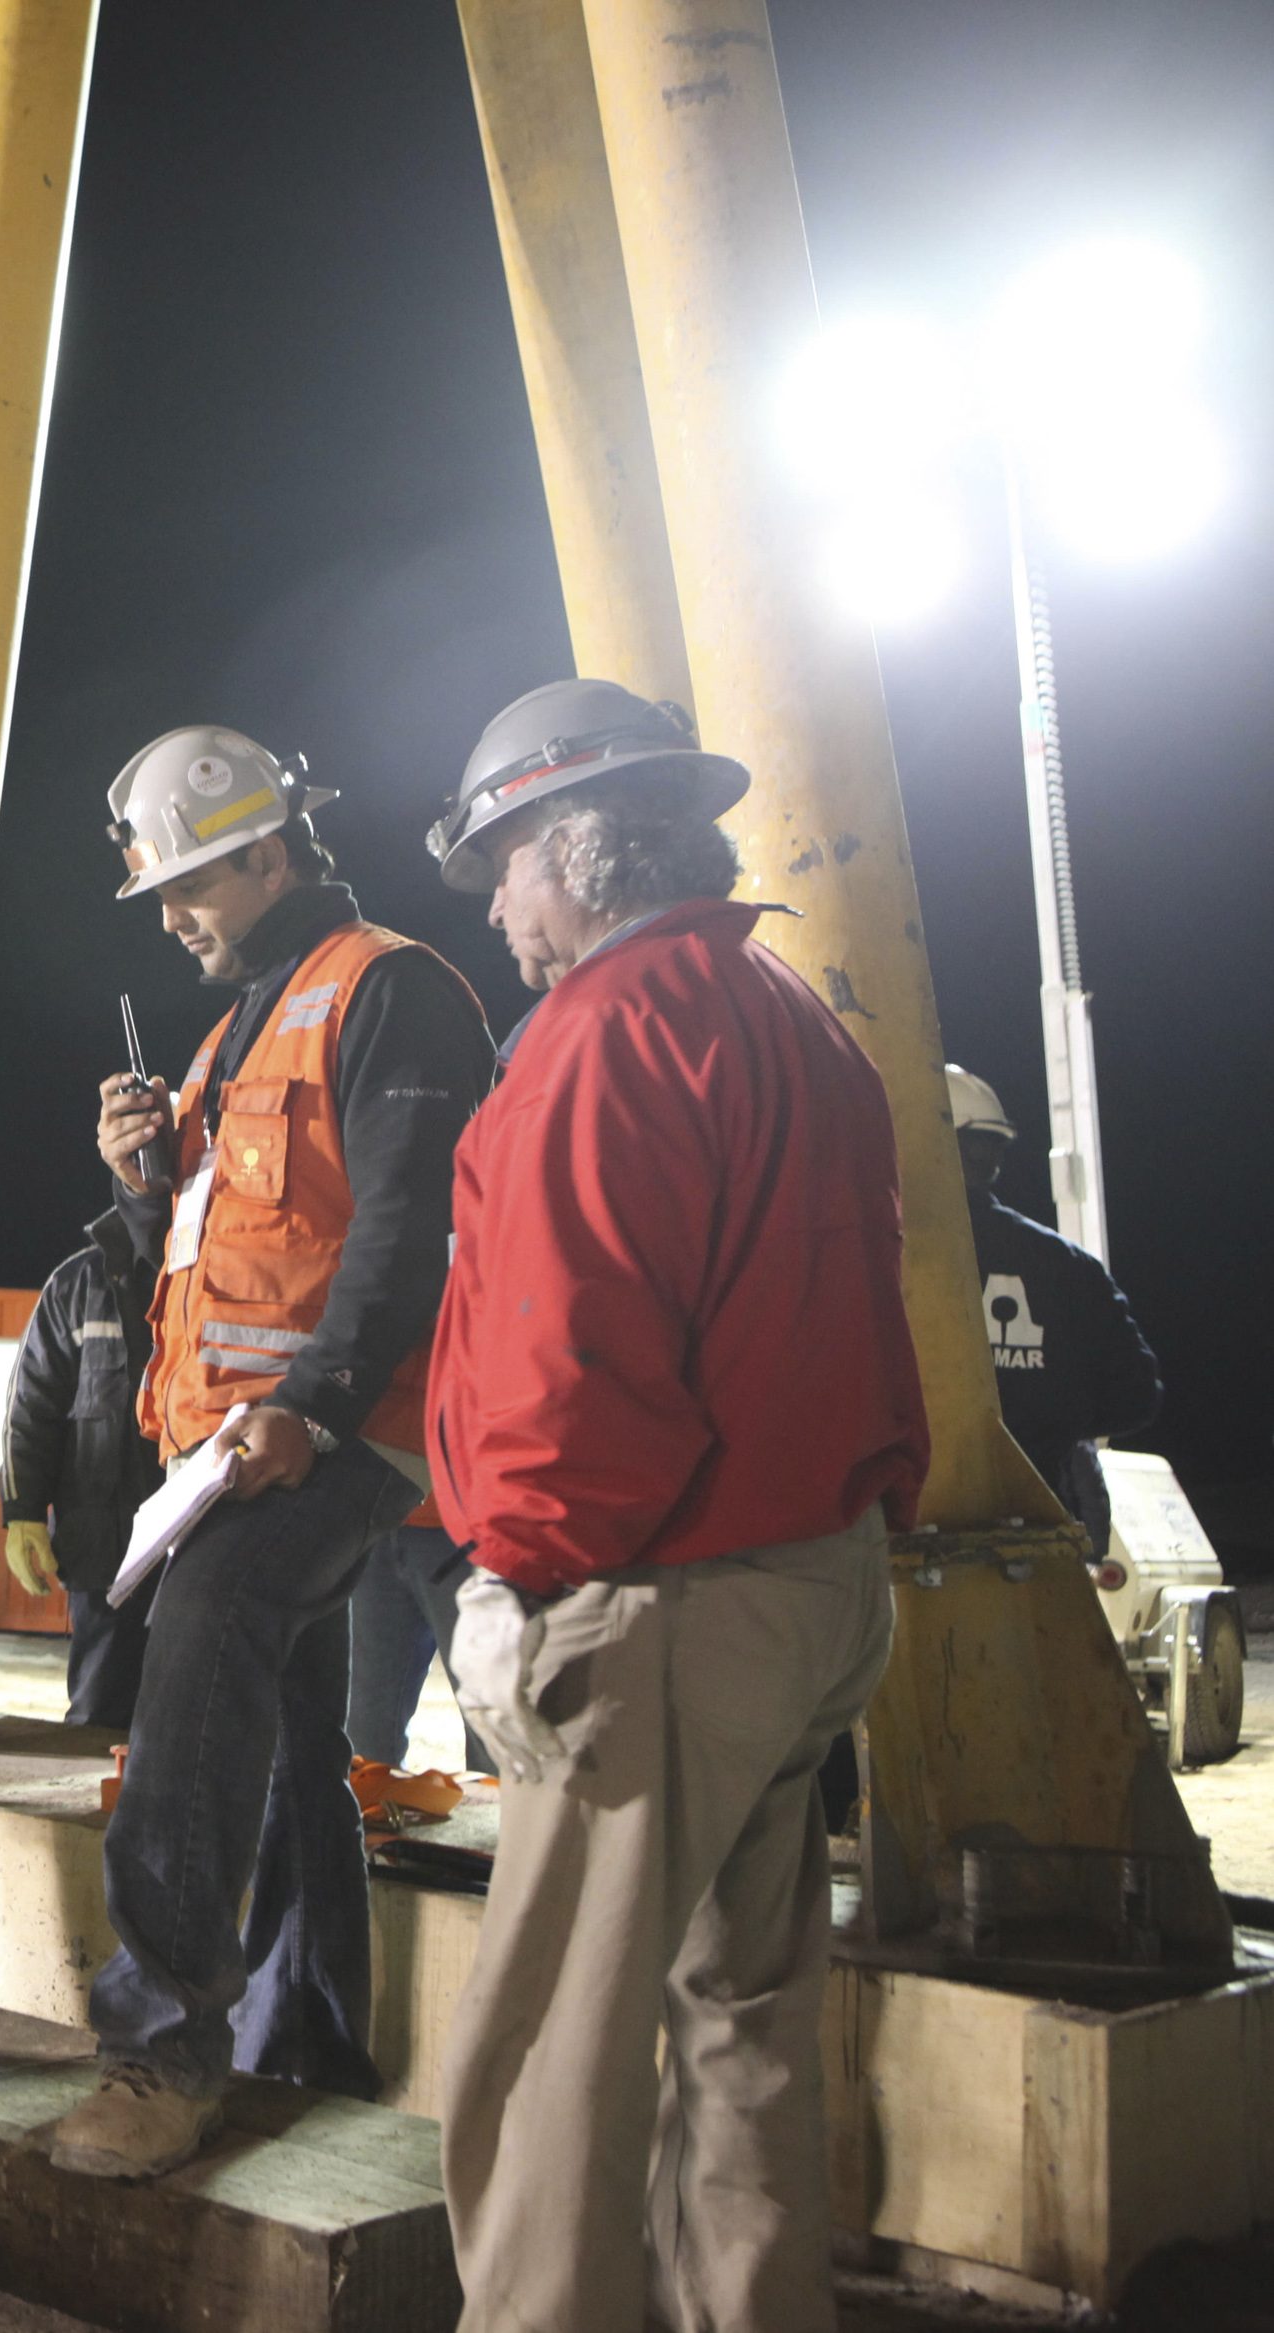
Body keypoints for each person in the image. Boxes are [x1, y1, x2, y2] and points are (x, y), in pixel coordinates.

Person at [420, 678, 929, 2333]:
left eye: (505, 863)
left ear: (582, 850)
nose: (498, 904)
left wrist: (513, 1583)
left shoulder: (596, 1041)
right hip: (813, 1588)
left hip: (657, 1604)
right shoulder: (794, 1020)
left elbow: (571, 1367)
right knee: (749, 2027)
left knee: (555, 2046)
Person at [54, 725, 490, 2178]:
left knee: (214, 1626)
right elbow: (206, 1255)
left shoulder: (388, 988)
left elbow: (405, 1227)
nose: (172, 912)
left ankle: (160, 2045)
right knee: (297, 1730)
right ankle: (305, 2042)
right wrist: (142, 1188)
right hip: (240, 1443)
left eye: (193, 882)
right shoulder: (233, 1031)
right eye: (158, 889)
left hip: (345, 1425)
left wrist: (311, 1402)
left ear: (267, 851)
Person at [949, 1063, 1161, 1554]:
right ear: (992, 1152)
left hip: (902, 1534)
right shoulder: (1065, 1265)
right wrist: (1046, 1421)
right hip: (1040, 1536)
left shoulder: (877, 1254)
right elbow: (1137, 1394)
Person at [0, 1215, 158, 1726]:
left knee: (192, 1718)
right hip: (103, 1546)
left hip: (197, 1544)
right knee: (99, 1710)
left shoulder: (219, 1268)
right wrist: (22, 1512)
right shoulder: (77, 1285)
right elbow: (31, 1406)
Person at [344, 1515, 486, 1773]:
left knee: (493, 1720)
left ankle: (502, 1811)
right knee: (365, 1735)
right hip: (373, 1514)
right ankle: (375, 1810)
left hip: (468, 1523)